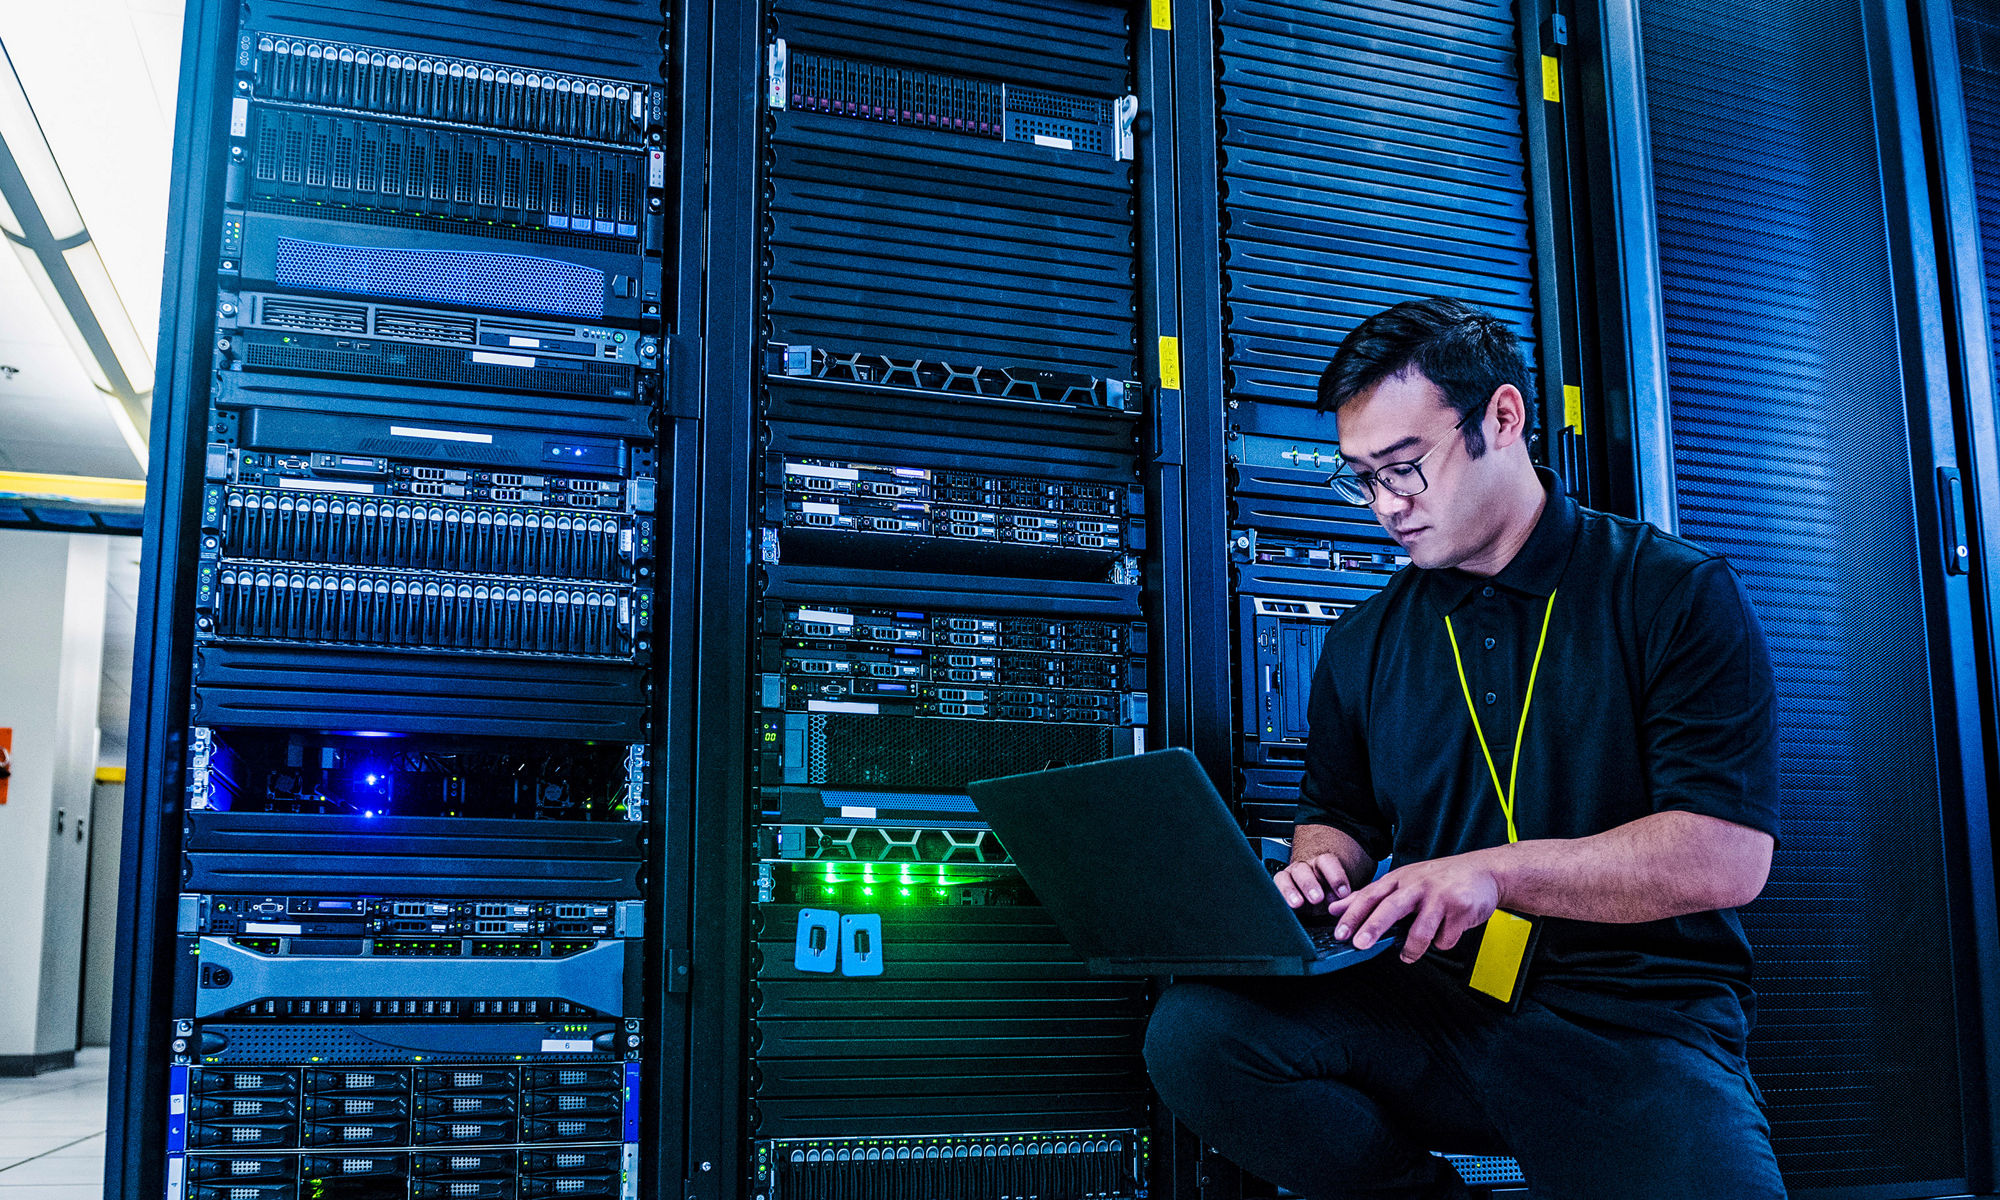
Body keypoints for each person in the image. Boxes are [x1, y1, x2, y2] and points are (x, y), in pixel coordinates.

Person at [1142, 297, 1785, 1199]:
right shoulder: (1364, 640)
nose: (1384, 510)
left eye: (1405, 470)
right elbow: (1337, 813)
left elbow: (1725, 858)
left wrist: (1491, 874)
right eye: (1360, 479)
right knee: (1198, 1035)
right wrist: (1322, 869)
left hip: (1636, 1022)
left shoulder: (1671, 595)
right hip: (1437, 1002)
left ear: (1503, 417)